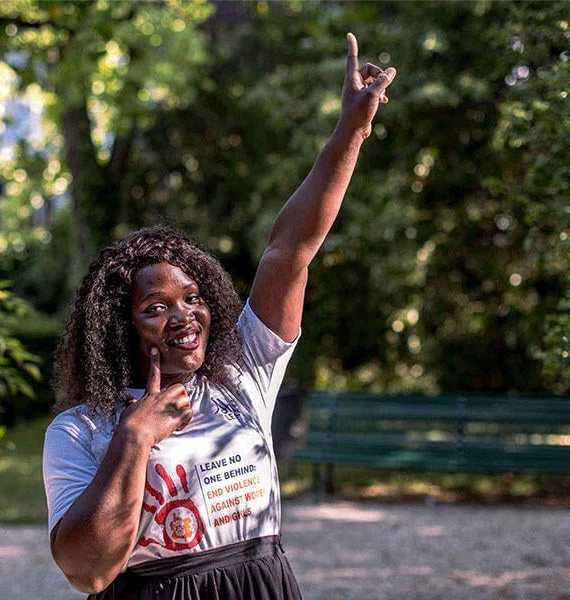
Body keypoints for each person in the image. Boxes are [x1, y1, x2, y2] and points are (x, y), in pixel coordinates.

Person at [43, 33, 396, 599]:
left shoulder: (242, 375)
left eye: (191, 298)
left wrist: (352, 130)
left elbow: (290, 249)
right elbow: (89, 571)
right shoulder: (82, 431)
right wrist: (135, 436)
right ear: (120, 326)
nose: (184, 316)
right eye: (155, 308)